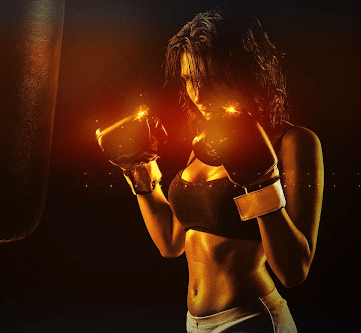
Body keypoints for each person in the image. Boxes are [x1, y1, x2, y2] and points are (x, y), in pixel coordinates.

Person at [97, 8, 323, 333]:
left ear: (243, 72)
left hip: (251, 320)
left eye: (211, 79)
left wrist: (262, 182)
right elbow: (170, 242)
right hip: (194, 323)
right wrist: (140, 169)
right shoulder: (203, 142)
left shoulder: (293, 141)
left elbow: (294, 271)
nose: (198, 95)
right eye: (190, 80)